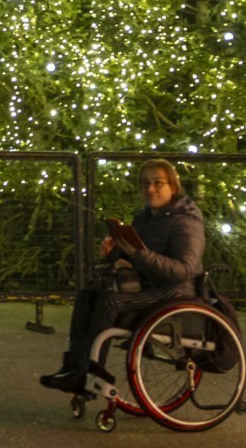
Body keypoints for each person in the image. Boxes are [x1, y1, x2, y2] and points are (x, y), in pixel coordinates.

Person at [41, 158, 208, 394]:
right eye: (145, 183)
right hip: (148, 288)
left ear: (173, 186)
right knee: (86, 297)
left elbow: (182, 270)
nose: (150, 189)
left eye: (158, 183)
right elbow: (137, 256)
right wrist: (115, 252)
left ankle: (88, 374)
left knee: (111, 302)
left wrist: (137, 253)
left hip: (175, 293)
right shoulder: (144, 219)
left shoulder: (186, 222)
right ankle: (72, 367)